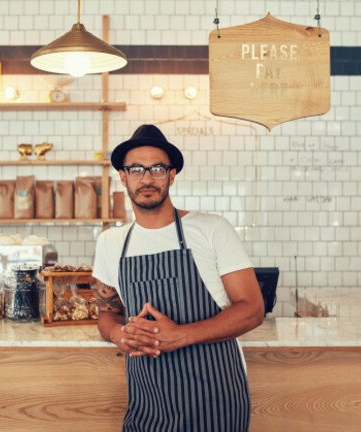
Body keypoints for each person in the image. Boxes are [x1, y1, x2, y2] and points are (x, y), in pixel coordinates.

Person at [92, 124, 265, 432]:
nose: (147, 178)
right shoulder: (110, 242)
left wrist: (179, 335)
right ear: (123, 177)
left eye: (157, 169)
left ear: (171, 175)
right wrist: (121, 335)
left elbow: (252, 309)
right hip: (147, 404)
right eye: (136, 169)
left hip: (216, 402)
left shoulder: (212, 229)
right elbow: (107, 314)